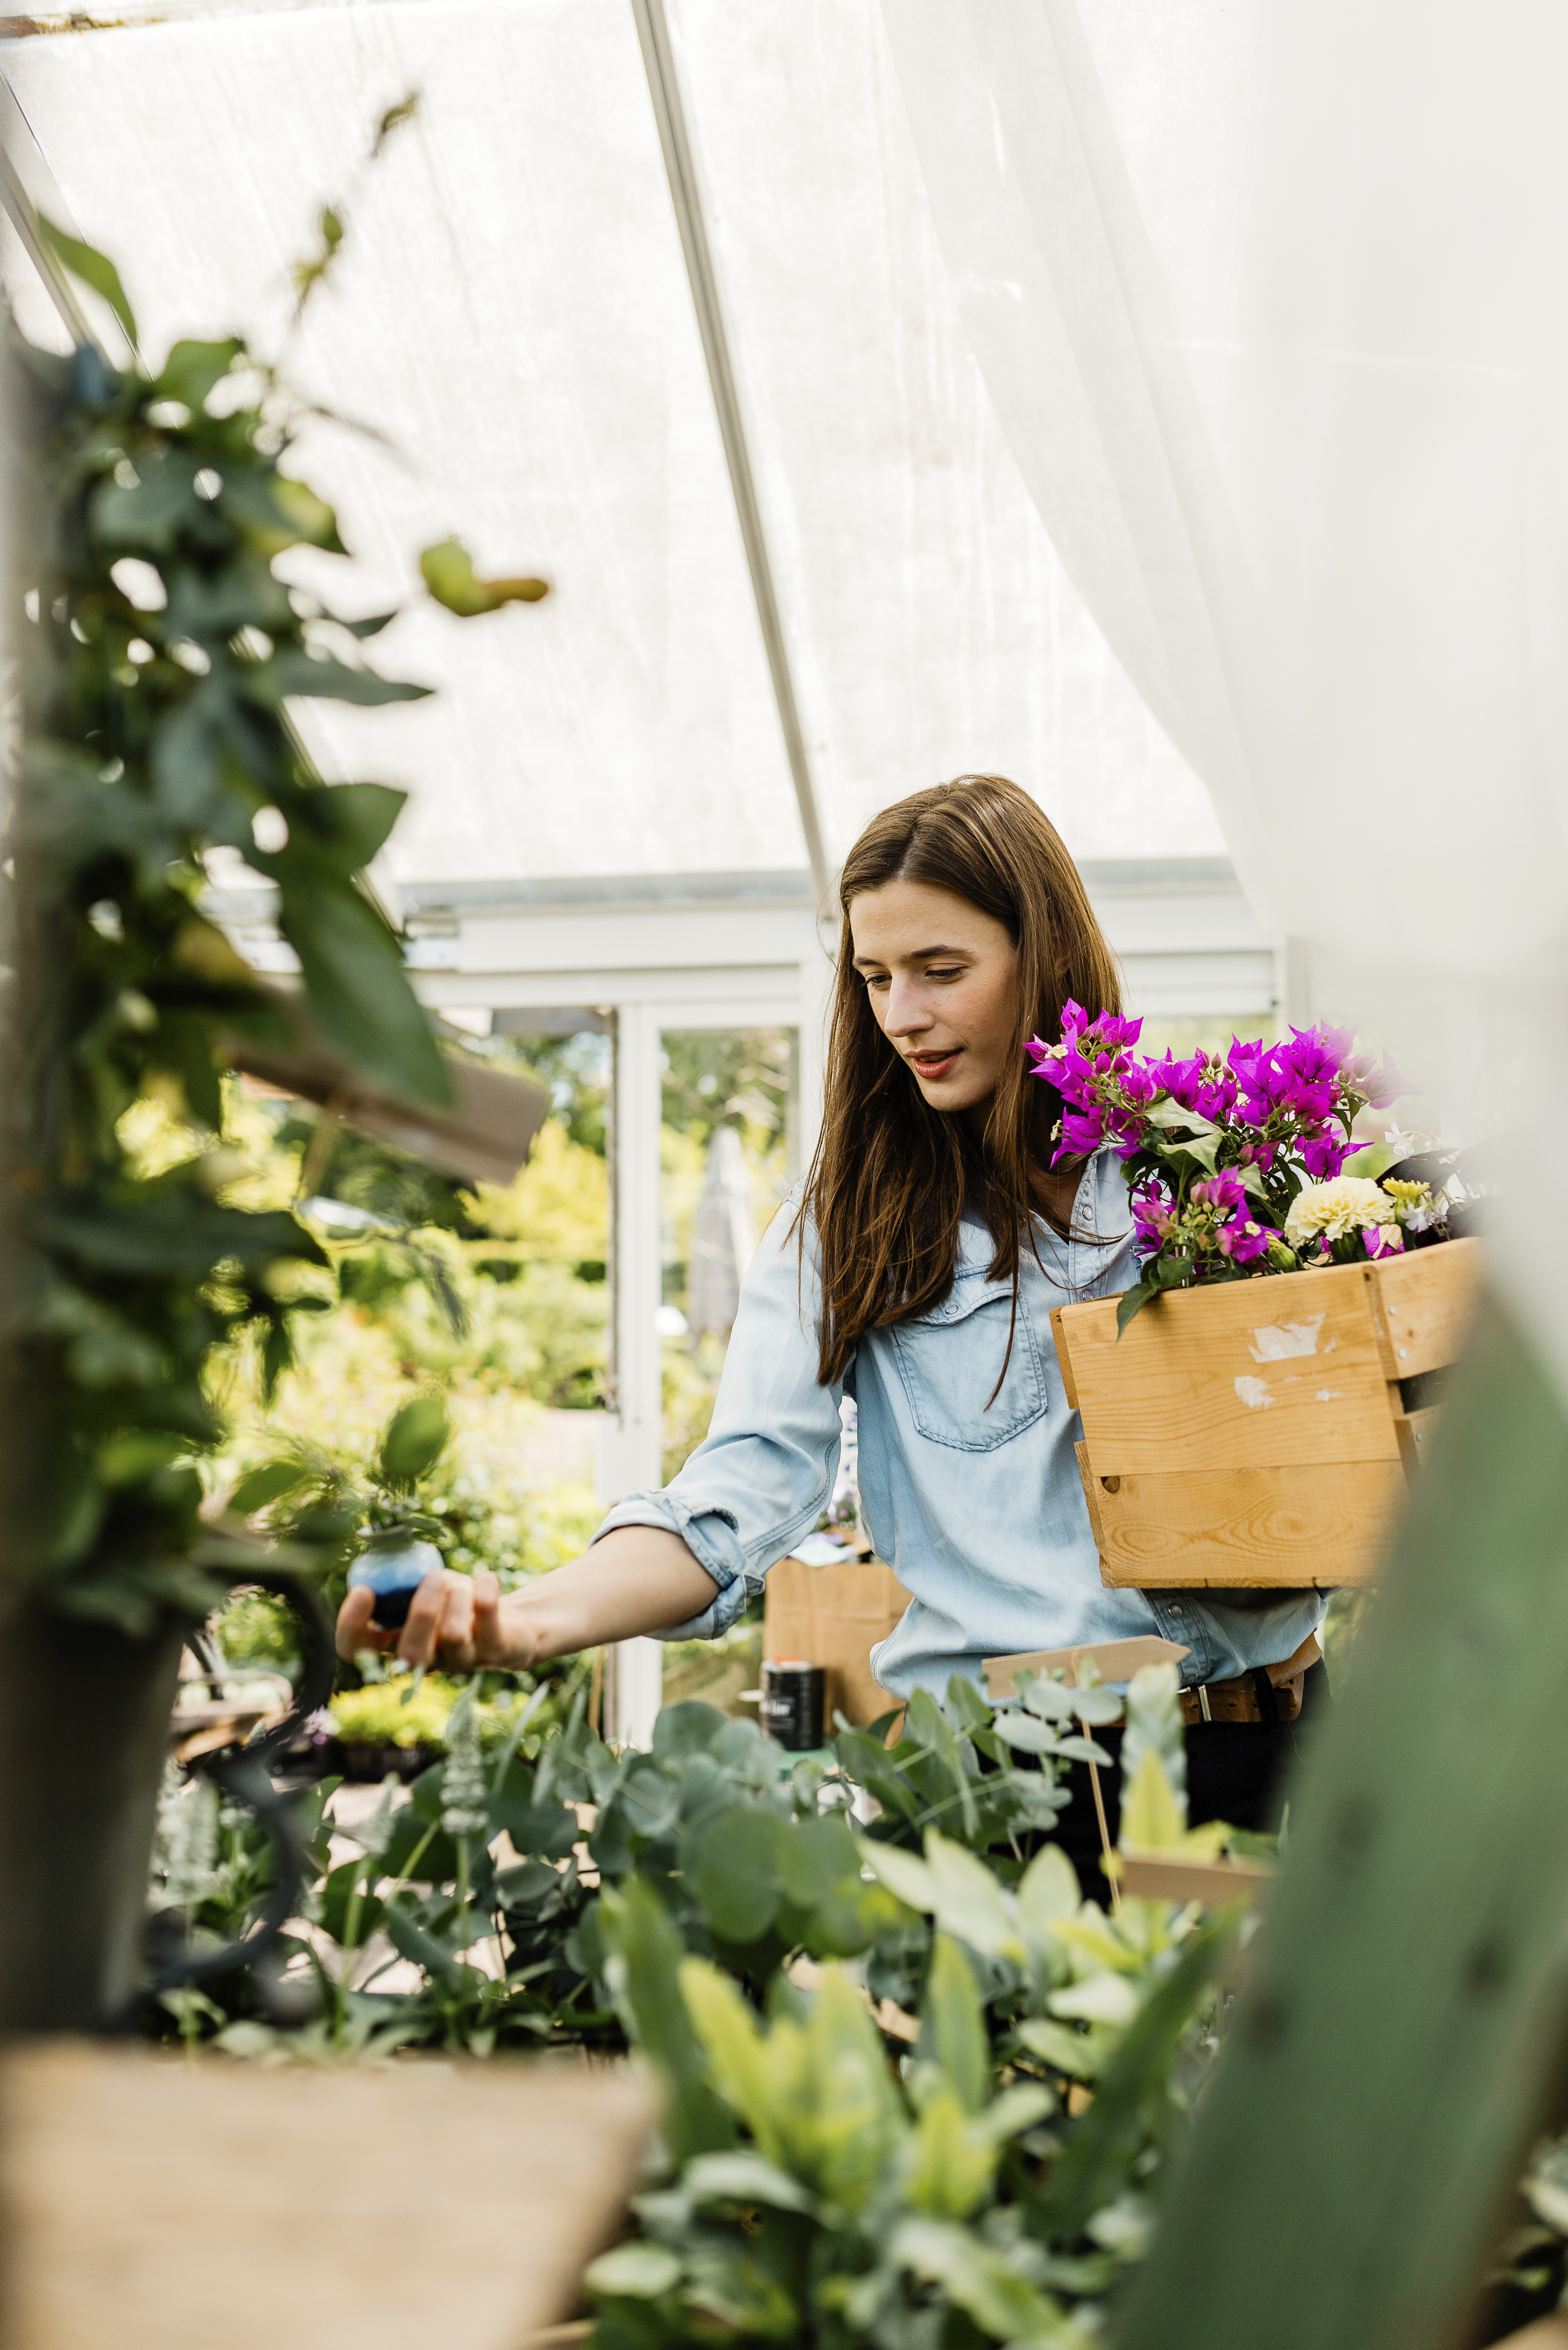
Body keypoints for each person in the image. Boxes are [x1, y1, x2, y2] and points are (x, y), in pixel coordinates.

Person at [336, 775, 1327, 1890]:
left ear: (1043, 958)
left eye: (941, 972)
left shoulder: (1200, 1180)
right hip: (1026, 1792)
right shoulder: (849, 1230)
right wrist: (518, 1621)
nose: (901, 1015)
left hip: (1280, 1753)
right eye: (874, 977)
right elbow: (733, 1499)